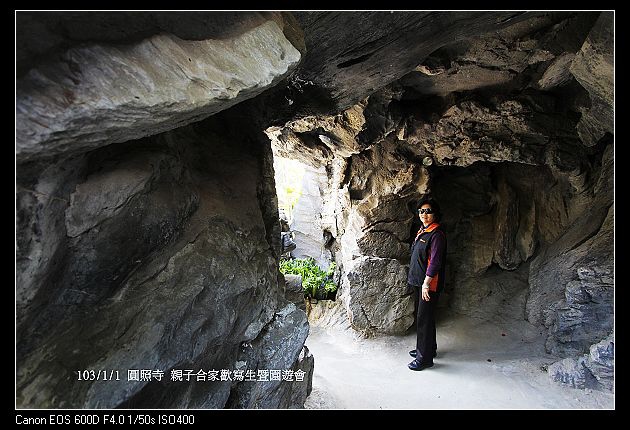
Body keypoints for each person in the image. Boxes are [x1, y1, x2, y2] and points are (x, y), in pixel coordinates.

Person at [407, 196, 447, 371]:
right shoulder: (423, 230)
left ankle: (424, 359)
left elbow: (435, 262)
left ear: (435, 214)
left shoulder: (437, 234)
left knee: (424, 319)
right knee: (425, 317)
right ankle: (428, 349)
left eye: (428, 211)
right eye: (422, 211)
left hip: (428, 284)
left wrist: (426, 283)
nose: (424, 214)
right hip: (419, 282)